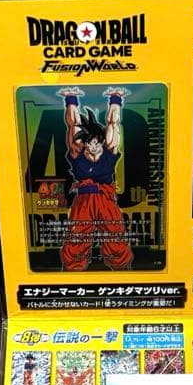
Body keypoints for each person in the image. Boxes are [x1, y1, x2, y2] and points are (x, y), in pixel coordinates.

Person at [57, 87, 133, 271]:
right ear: (85, 144)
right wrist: (70, 99)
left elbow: (113, 123)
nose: (94, 146)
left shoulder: (108, 153)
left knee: (114, 234)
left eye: (97, 143)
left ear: (101, 142)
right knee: (77, 238)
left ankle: (122, 269)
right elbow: (73, 125)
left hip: (105, 199)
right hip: (83, 201)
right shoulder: (78, 154)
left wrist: (116, 99)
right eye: (90, 143)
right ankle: (72, 271)